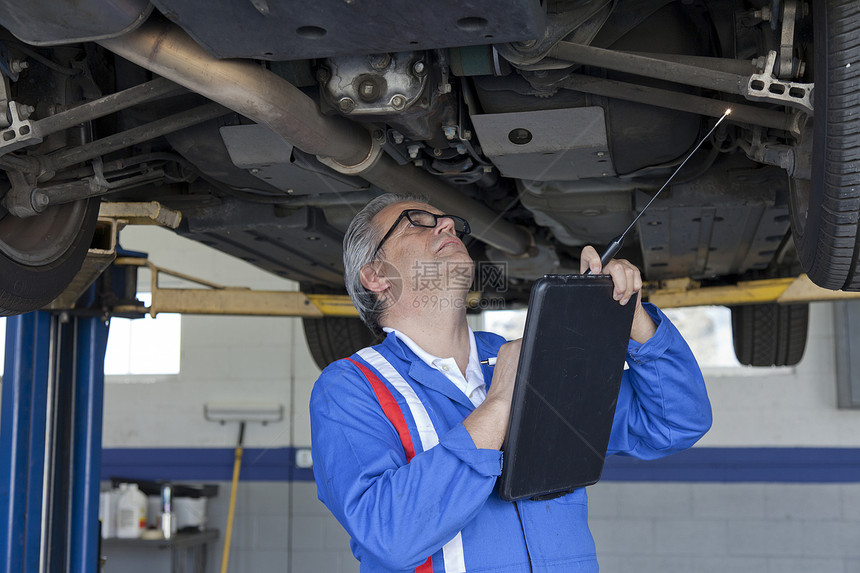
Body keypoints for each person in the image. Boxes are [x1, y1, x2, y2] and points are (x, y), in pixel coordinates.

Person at [310, 193, 711, 572]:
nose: (447, 224)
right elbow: (390, 534)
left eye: (448, 223)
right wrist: (501, 403)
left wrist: (632, 316)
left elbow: (673, 422)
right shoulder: (351, 388)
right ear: (377, 276)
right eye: (416, 223)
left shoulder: (526, 358)